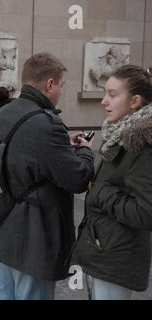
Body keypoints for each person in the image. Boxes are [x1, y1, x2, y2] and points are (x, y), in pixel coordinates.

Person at [0, 53, 95, 300]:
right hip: (33, 238)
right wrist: (84, 151)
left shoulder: (3, 113)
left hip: (1, 229)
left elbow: (25, 154)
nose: (61, 91)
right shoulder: (47, 124)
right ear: (49, 84)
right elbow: (78, 179)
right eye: (61, 85)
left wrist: (62, 146)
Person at [71, 65, 152, 300]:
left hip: (115, 257)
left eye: (113, 95)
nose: (104, 101)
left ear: (135, 100)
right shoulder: (119, 134)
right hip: (103, 249)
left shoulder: (142, 144)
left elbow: (146, 212)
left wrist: (101, 192)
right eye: (105, 93)